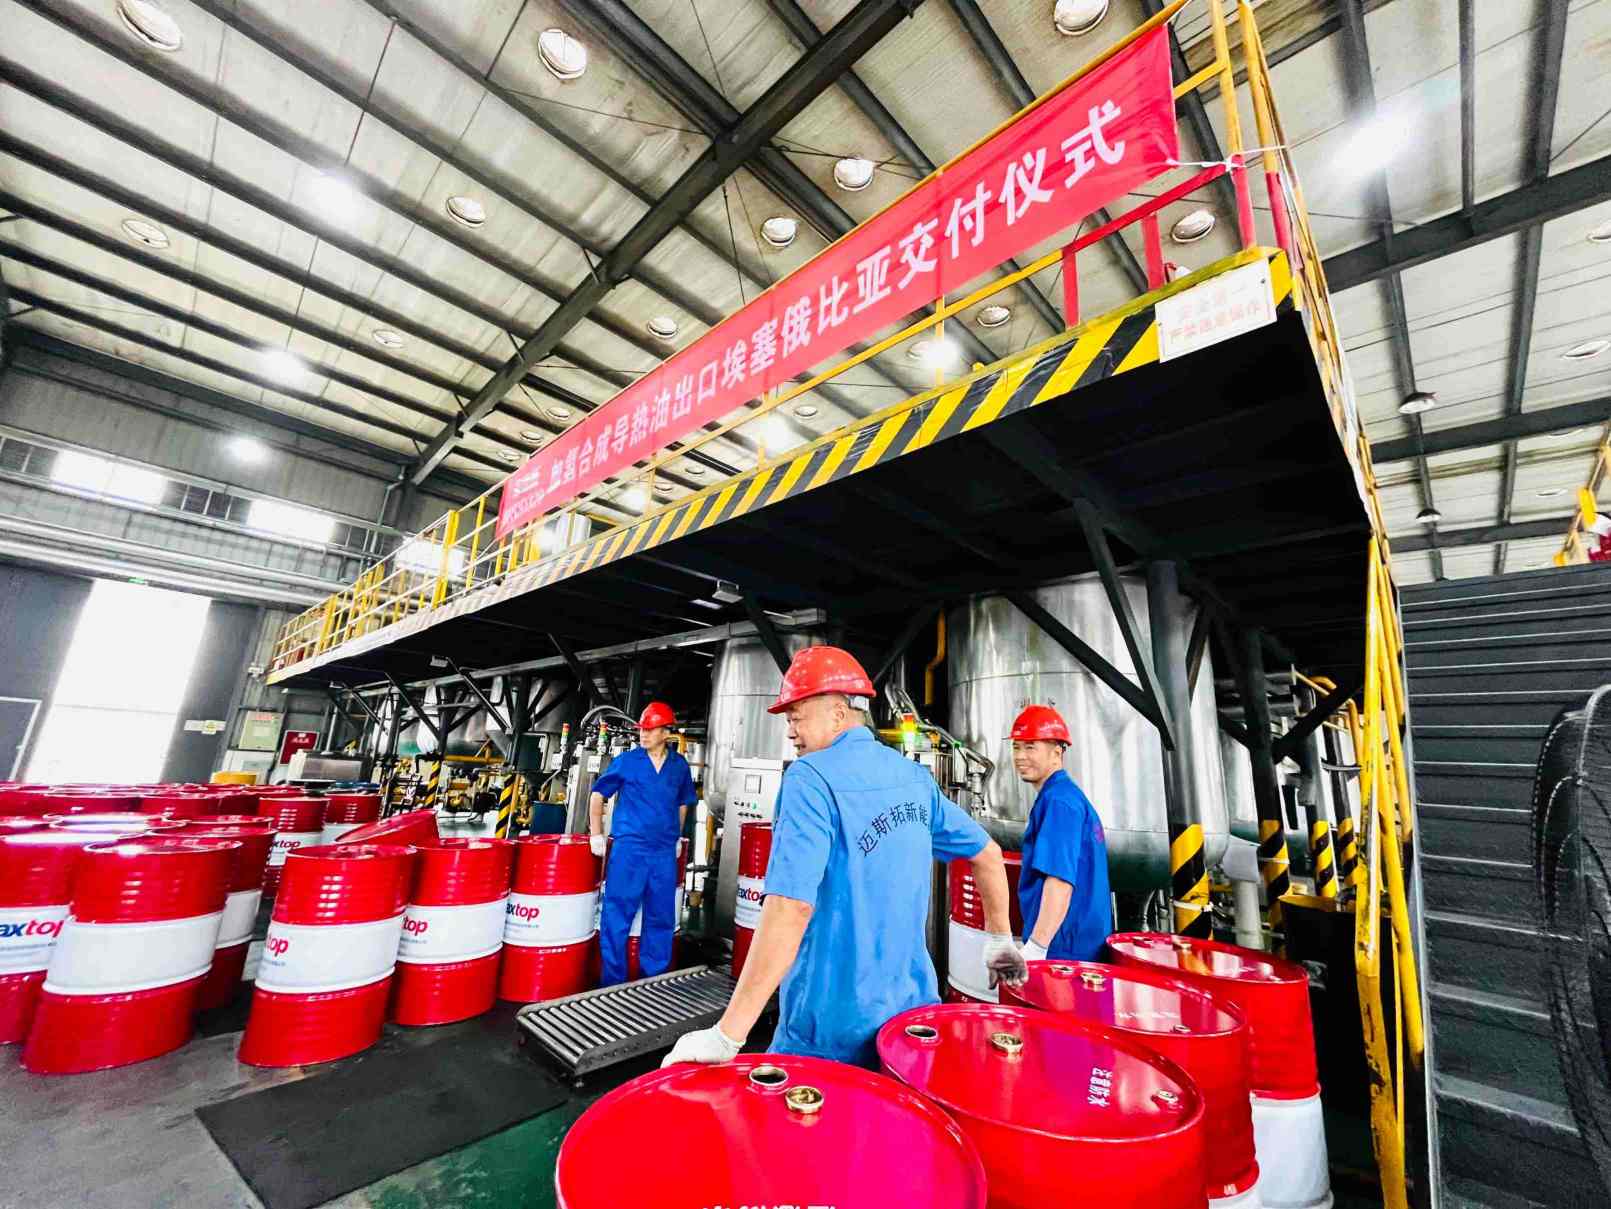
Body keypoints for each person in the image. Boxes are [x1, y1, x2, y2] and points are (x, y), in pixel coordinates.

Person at [662, 646, 1025, 1069]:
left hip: (831, 1031)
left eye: (796, 717)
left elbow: (790, 907)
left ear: (837, 713)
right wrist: (999, 940)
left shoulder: (809, 779)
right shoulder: (913, 778)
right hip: (911, 1024)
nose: (791, 732)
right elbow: (988, 853)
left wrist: (728, 1035)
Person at [590, 701, 698, 985]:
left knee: (661, 916)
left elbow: (683, 803)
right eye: (642, 729)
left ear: (666, 733)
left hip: (663, 852)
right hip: (630, 850)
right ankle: (612, 981)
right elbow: (598, 794)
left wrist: (677, 836)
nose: (644, 734)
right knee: (616, 915)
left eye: (650, 730)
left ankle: (653, 980)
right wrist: (596, 834)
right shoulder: (627, 762)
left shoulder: (678, 766)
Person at [1009, 704, 1111, 962]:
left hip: (1064, 950)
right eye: (1016, 747)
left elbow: (1059, 881)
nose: (1020, 756)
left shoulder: (1059, 802)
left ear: (1056, 753)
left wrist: (1036, 947)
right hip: (1075, 944)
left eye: (1030, 747)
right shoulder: (1062, 796)